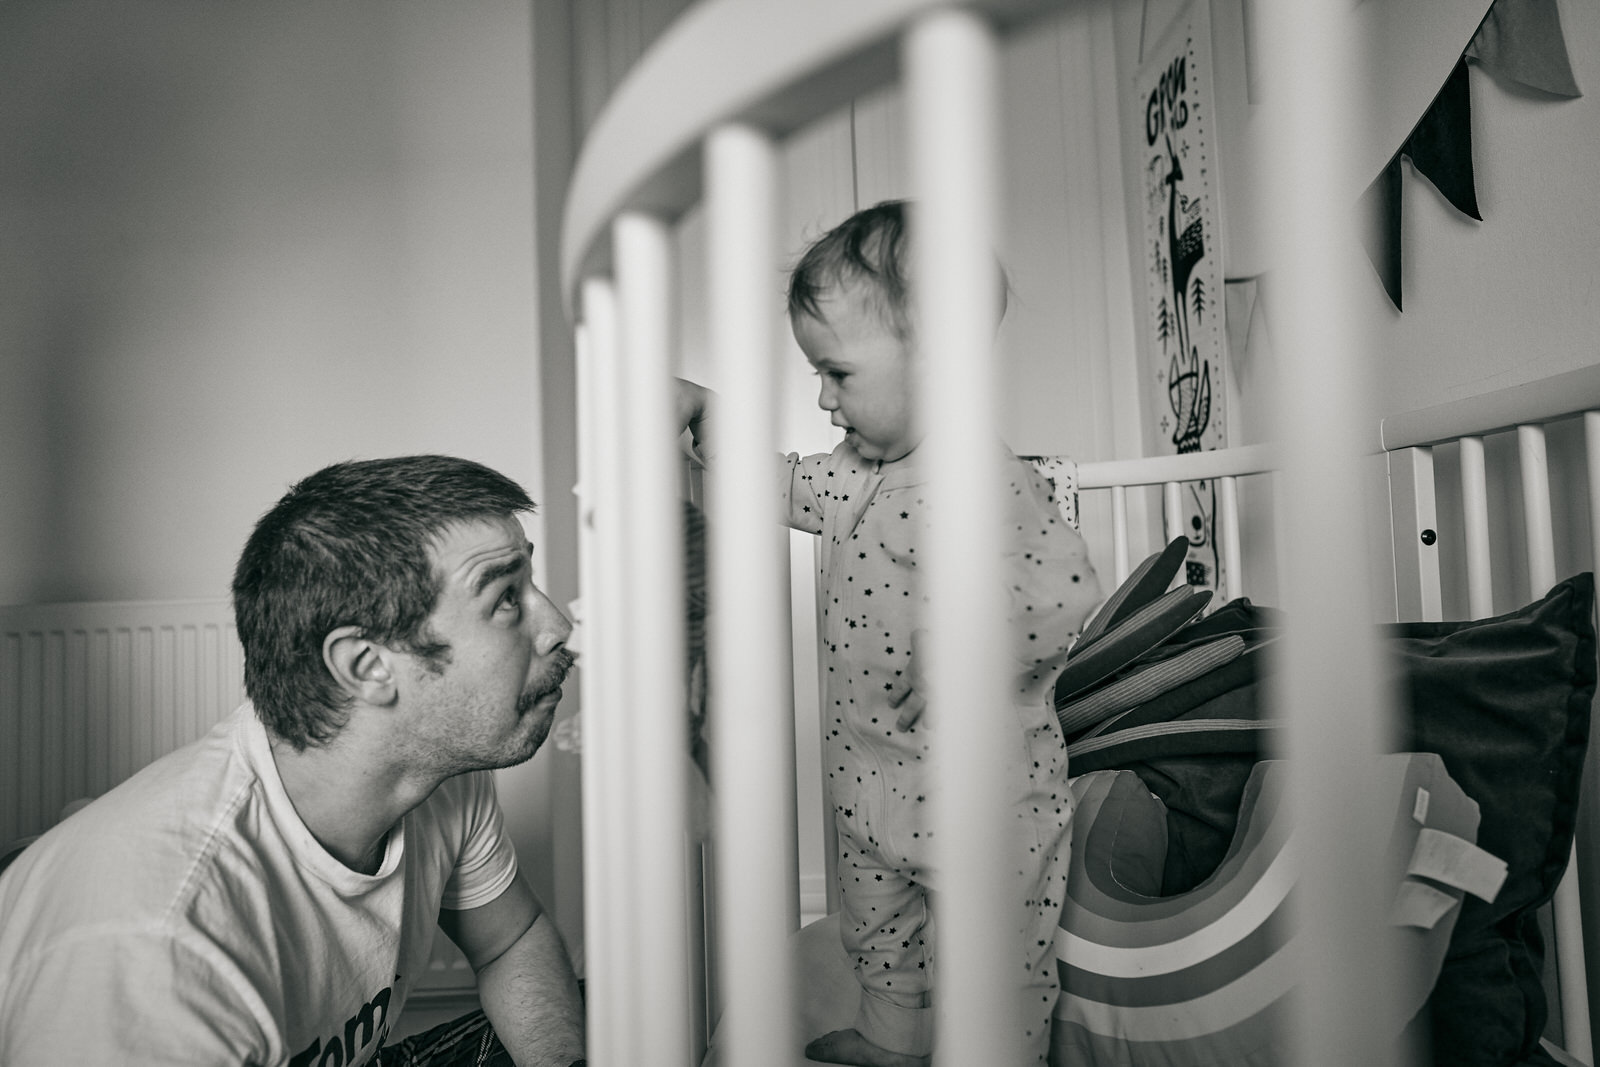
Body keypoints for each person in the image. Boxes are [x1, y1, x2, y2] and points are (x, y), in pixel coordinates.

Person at [679, 200, 1102, 1067]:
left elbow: (1066, 589)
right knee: (882, 935)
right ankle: (892, 1041)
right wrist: (710, 417)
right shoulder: (852, 474)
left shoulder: (985, 480)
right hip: (871, 781)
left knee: (996, 962)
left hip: (986, 795)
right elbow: (778, 485)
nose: (824, 399)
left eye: (836, 373)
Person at [0, 455, 587, 1067]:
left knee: (598, 1006)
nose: (557, 624)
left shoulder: (436, 774)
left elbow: (510, 941)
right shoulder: (156, 947)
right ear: (367, 666)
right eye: (505, 599)